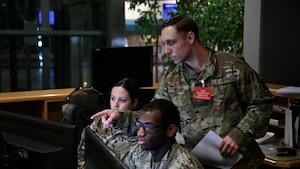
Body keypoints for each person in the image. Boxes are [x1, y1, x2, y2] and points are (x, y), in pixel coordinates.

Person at [91, 15, 274, 169]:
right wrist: (119, 116)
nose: (167, 51)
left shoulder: (232, 67)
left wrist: (239, 134)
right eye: (164, 44)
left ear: (190, 38)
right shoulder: (173, 81)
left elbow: (262, 104)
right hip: (200, 163)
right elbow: (150, 119)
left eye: (171, 43)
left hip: (243, 164)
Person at [77, 77, 140, 169]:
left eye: (122, 100)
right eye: (113, 98)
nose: (115, 104)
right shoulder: (99, 122)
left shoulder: (141, 127)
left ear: (134, 103)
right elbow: (82, 155)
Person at [122, 99, 204, 169]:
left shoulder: (185, 165)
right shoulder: (139, 151)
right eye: (139, 125)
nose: (140, 133)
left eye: (149, 127)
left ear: (170, 130)